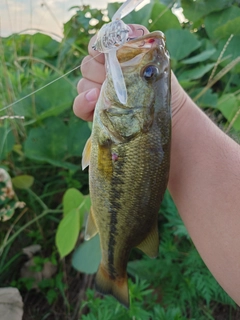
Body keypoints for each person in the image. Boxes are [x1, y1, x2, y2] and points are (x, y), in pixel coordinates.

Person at [73, 24, 240, 305]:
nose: (148, 65)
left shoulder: (121, 130)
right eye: (150, 73)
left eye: (149, 73)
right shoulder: (130, 126)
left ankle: (112, 273)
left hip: (118, 185)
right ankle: (113, 271)